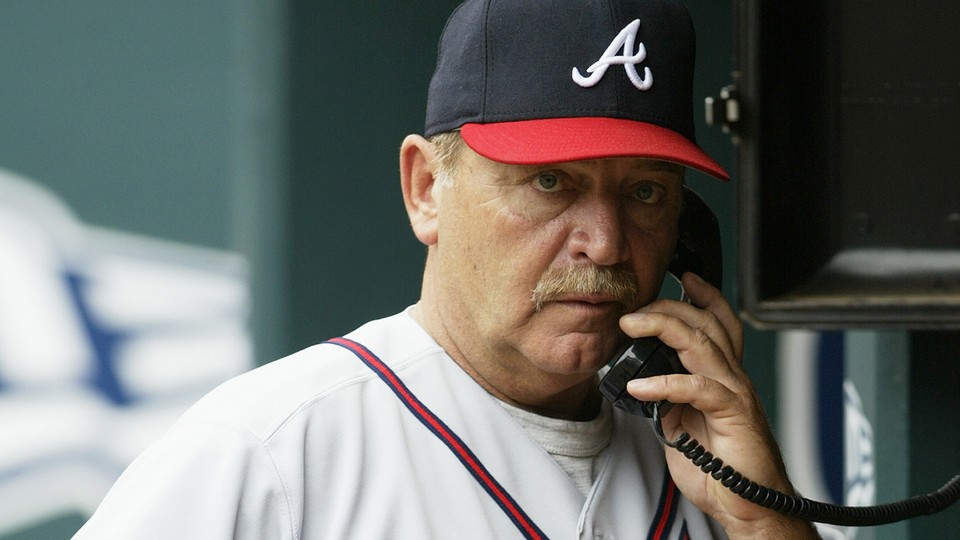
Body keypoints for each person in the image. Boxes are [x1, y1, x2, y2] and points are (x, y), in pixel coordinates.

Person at [75, 0, 819, 538]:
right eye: (550, 182)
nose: (606, 243)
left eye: (646, 192)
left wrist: (764, 519)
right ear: (427, 190)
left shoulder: (718, 470)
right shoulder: (271, 453)